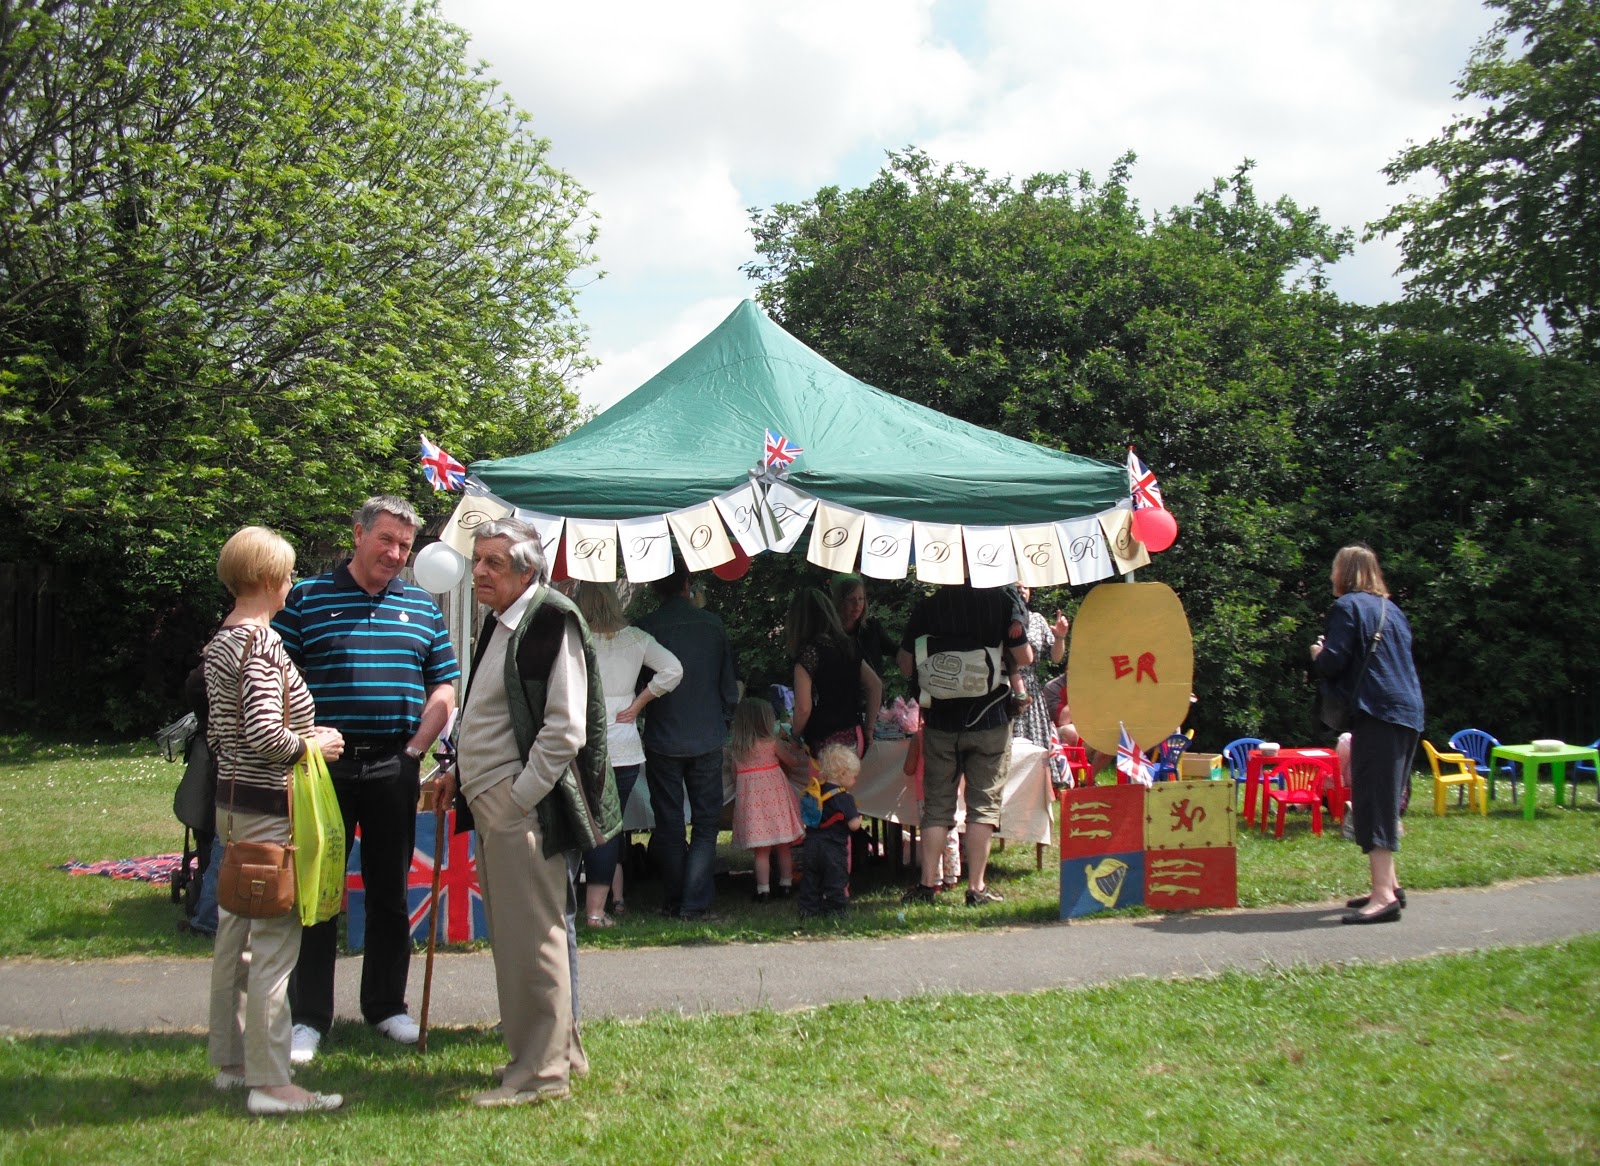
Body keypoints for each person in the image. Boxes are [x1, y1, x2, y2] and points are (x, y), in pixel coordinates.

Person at [436, 517, 620, 1106]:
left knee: (531, 940)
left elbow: (564, 729)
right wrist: (459, 772)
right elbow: (491, 715)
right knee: (525, 937)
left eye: (493, 562)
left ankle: (540, 1075)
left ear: (527, 571)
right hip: (498, 799)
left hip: (519, 806)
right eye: (478, 560)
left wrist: (519, 798)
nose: (479, 572)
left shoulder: (548, 619)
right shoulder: (505, 620)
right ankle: (556, 1054)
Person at [272, 496, 459, 1063]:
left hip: (393, 765)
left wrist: (415, 750)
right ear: (358, 534)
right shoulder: (307, 598)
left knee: (389, 891)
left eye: (405, 546)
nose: (396, 554)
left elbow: (444, 687)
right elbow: (277, 677)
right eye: (387, 541)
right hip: (322, 768)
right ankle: (308, 1017)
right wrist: (302, 739)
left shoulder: (422, 606)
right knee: (317, 892)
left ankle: (386, 1006)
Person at [204, 526, 345, 1115]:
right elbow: (266, 733)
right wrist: (315, 744)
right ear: (265, 578)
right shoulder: (260, 643)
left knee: (236, 938)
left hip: (233, 808)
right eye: (287, 573)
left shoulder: (222, 639)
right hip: (268, 813)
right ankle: (272, 1082)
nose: (292, 582)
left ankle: (233, 1062)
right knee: (271, 948)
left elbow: (223, 734)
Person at [898, 582, 1031, 907]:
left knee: (937, 805)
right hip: (990, 719)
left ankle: (927, 885)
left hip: (940, 722)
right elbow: (1024, 657)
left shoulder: (928, 607)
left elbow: (905, 663)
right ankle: (976, 888)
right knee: (982, 804)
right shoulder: (1001, 603)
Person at [1311, 544, 1424, 925]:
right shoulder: (1393, 610)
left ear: (1344, 573)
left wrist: (1318, 653)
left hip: (1376, 712)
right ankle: (1392, 885)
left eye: (1334, 569)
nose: (1331, 576)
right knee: (1386, 798)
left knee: (1373, 801)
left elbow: (1334, 662)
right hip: (1407, 711)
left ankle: (1383, 897)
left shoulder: (1347, 607)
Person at [572, 581, 683, 928]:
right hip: (622, 746)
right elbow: (673, 669)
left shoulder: (574, 637)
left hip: (580, 741)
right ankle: (596, 910)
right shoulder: (635, 638)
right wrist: (639, 703)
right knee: (609, 827)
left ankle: (566, 904)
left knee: (574, 822)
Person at [636, 557, 740, 920]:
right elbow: (728, 686)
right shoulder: (712, 624)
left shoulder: (645, 628)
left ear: (655, 588)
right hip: (707, 733)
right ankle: (694, 903)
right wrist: (723, 720)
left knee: (669, 823)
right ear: (686, 585)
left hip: (663, 736)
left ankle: (675, 899)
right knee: (707, 823)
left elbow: (639, 687)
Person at [786, 587, 882, 757]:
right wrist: (868, 729)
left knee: (823, 777)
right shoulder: (847, 646)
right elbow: (875, 685)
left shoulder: (809, 654)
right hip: (855, 733)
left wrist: (794, 736)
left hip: (825, 738)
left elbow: (803, 707)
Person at [727, 697, 806, 902]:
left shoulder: (737, 749)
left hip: (753, 807)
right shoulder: (772, 743)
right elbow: (793, 762)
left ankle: (763, 890)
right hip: (776, 803)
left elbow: (735, 777)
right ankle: (786, 884)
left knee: (761, 852)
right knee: (784, 846)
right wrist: (795, 750)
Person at [797, 743, 864, 917]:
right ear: (843, 773)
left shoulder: (816, 791)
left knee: (811, 878)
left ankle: (808, 909)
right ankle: (835, 909)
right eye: (854, 777)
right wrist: (859, 819)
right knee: (836, 878)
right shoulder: (845, 798)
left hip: (811, 844)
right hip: (833, 847)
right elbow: (853, 825)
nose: (855, 781)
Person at [1011, 586, 1068, 749]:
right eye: (1017, 587)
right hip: (1004, 683)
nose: (1022, 591)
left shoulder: (1037, 619)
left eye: (1025, 587)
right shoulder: (1000, 617)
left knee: (1036, 743)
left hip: (1031, 688)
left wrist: (1060, 637)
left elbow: (1056, 658)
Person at [830, 574, 899, 679]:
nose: (857, 605)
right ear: (840, 601)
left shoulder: (871, 627)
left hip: (874, 688)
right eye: (851, 599)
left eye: (861, 599)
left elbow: (896, 651)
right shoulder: (829, 632)